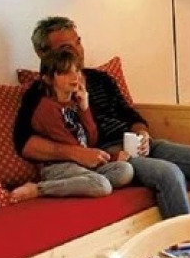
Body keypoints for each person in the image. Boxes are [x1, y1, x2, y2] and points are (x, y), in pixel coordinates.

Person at [13, 16, 190, 219]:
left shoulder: (101, 79)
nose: (77, 51)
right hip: (108, 154)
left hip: (135, 143)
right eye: (67, 48)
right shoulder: (41, 93)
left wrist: (142, 133)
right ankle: (189, 243)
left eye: (78, 42)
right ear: (44, 54)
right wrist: (78, 153)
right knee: (169, 173)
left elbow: (130, 113)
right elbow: (24, 143)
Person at [14, 47, 134, 201]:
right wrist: (110, 157)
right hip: (59, 167)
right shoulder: (46, 108)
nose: (75, 77)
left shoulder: (75, 103)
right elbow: (72, 146)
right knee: (102, 186)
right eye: (65, 73)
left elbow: (92, 139)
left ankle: (83, 182)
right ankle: (39, 189)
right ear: (48, 79)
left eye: (76, 70)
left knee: (125, 170)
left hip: (82, 165)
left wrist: (85, 108)